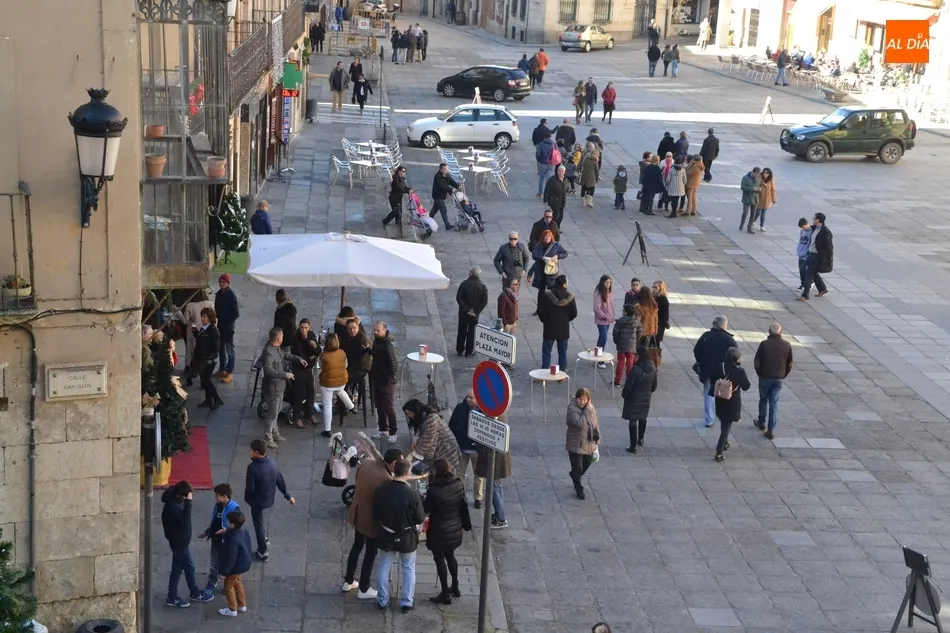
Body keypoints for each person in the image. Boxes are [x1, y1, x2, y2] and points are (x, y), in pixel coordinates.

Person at [344, 436, 403, 601]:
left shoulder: (367, 463)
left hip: (358, 512)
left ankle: (348, 581)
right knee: (370, 553)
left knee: (356, 547)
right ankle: (364, 588)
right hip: (371, 521)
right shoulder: (387, 479)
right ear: (393, 464)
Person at [373, 458, 425, 613]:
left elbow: (375, 512)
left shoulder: (381, 489)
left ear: (394, 471)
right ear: (407, 473)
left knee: (384, 566)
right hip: (406, 536)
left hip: (386, 534)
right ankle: (406, 602)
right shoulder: (412, 494)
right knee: (408, 568)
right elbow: (420, 518)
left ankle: (382, 600)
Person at [424, 458, 472, 604]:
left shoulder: (433, 491)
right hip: (454, 528)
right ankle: (455, 586)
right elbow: (462, 505)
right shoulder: (458, 484)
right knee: (450, 556)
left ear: (436, 471)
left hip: (438, 530)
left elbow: (426, 509)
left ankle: (445, 593)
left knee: (439, 560)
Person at [244, 439, 295, 562]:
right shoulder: (273, 463)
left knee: (258, 524)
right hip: (268, 498)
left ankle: (263, 552)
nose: (250, 452)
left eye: (251, 451)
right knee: (260, 521)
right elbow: (280, 481)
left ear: (256, 452)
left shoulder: (252, 468)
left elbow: (250, 488)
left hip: (256, 501)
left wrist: (247, 497)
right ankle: (264, 539)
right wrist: (288, 496)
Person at [162, 480, 211, 607]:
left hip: (179, 541)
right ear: (182, 496)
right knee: (189, 567)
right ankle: (194, 593)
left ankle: (172, 597)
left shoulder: (174, 501)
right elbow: (184, 522)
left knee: (177, 570)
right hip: (179, 542)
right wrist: (188, 504)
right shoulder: (173, 507)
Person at [260, 327, 307, 447]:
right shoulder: (269, 352)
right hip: (273, 388)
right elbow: (268, 370)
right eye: (281, 336)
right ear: (278, 339)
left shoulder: (276, 348)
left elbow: (285, 355)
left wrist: (298, 359)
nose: (283, 338)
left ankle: (275, 432)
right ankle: (268, 437)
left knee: (277, 411)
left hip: (279, 387)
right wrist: (284, 374)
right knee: (272, 413)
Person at [693, 316, 738, 428]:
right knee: (724, 392)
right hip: (723, 370)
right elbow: (735, 353)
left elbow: (696, 350)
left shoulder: (706, 336)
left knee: (708, 394)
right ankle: (723, 415)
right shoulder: (729, 339)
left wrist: (701, 361)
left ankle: (709, 419)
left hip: (707, 370)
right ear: (723, 325)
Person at [198, 482, 241, 600]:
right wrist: (207, 532)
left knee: (228, 563)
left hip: (227, 542)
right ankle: (213, 581)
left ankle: (230, 584)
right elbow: (215, 521)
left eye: (217, 495)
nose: (215, 497)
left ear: (224, 496)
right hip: (216, 539)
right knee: (214, 563)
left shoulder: (234, 508)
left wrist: (226, 530)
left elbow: (238, 525)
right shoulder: (217, 506)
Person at [754, 323, 793, 440]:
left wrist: (760, 373)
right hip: (778, 378)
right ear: (781, 332)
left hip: (765, 377)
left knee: (763, 399)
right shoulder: (787, 345)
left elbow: (757, 361)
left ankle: (761, 422)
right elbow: (790, 364)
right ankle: (771, 429)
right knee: (773, 403)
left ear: (769, 332)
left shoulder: (764, 344)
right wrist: (783, 375)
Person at [712, 348, 752, 461]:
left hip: (720, 399)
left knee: (723, 421)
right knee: (726, 426)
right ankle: (719, 451)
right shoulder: (739, 371)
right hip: (732, 402)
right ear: (737, 358)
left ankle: (724, 442)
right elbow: (746, 386)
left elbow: (713, 380)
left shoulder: (720, 367)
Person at [448, 391, 485, 507]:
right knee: (460, 474)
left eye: (471, 397)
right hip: (462, 448)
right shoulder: (460, 408)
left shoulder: (483, 411)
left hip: (477, 450)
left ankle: (478, 498)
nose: (468, 399)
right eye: (467, 397)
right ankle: (460, 496)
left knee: (479, 475)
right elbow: (452, 425)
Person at [405, 399, 461, 470]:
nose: (408, 416)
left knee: (445, 472)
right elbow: (425, 434)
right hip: (442, 450)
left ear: (415, 411)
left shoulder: (432, 420)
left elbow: (427, 441)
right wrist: (418, 441)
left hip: (447, 451)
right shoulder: (425, 417)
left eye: (409, 413)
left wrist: (412, 454)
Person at [622, 345, 658, 453]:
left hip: (634, 398)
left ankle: (633, 446)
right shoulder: (652, 367)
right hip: (646, 398)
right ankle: (641, 439)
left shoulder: (635, 370)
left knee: (633, 421)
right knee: (643, 418)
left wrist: (625, 395)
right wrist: (648, 393)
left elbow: (628, 386)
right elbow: (654, 385)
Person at [319, 333, 357, 437]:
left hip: (327, 383)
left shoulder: (323, 355)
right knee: (340, 391)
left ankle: (327, 430)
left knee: (327, 405)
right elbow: (346, 365)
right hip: (341, 381)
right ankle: (351, 406)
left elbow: (321, 367)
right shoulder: (342, 353)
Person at [216, 510, 252, 617]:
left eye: (228, 521)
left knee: (228, 587)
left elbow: (230, 559)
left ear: (233, 524)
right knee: (237, 582)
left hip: (235, 567)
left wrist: (223, 573)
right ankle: (242, 604)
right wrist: (226, 530)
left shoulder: (233, 540)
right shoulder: (243, 530)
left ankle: (232, 609)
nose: (227, 523)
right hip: (243, 563)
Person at [566, 388, 600, 500]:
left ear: (588, 400)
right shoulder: (572, 409)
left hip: (589, 442)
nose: (582, 402)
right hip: (575, 444)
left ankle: (575, 476)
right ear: (576, 398)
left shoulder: (590, 408)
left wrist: (597, 439)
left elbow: (595, 423)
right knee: (577, 468)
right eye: (580, 399)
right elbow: (579, 423)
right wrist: (586, 412)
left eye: (584, 399)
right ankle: (579, 489)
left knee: (588, 462)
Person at [538, 274, 577, 371]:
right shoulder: (570, 297)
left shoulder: (547, 295)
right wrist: (566, 320)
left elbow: (541, 310)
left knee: (547, 351)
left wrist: (545, 320)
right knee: (562, 351)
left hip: (549, 327)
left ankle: (544, 371)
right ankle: (562, 371)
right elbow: (574, 313)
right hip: (563, 328)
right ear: (564, 284)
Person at [477, 428, 512, 528]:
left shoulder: (495, 421)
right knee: (497, 487)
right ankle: (499, 515)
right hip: (500, 461)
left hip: (496, 462)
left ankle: (500, 518)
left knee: (494, 490)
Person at [371, 321, 400, 443]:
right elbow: (377, 353)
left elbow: (393, 363)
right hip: (377, 377)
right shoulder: (377, 341)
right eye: (374, 330)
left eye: (378, 330)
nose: (375, 332)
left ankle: (393, 431)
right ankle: (383, 428)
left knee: (388, 406)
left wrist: (390, 378)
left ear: (384, 330)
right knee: (379, 405)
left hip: (387, 380)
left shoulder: (388, 345)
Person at [527, 229, 569, 310]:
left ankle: (551, 308)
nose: (547, 239)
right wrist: (543, 258)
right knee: (541, 292)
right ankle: (539, 308)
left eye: (549, 237)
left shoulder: (556, 245)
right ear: (542, 237)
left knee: (552, 291)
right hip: (541, 272)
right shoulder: (539, 245)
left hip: (551, 272)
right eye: (545, 237)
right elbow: (534, 255)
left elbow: (565, 253)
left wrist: (557, 256)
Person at [289, 318, 319, 427]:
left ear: (309, 328)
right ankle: (296, 417)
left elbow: (318, 352)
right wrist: (309, 354)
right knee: (299, 392)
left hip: (308, 368)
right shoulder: (295, 338)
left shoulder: (311, 335)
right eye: (301, 327)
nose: (303, 330)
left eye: (306, 328)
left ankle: (309, 414)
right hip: (299, 368)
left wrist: (315, 347)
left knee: (311, 390)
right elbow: (297, 354)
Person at [181, 290, 214, 385]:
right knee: (202, 353)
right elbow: (214, 318)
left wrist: (177, 311)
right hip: (206, 331)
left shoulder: (190, 305)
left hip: (192, 331)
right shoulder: (209, 304)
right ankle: (202, 377)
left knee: (191, 351)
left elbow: (185, 320)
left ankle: (190, 371)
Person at [799, 212, 833, 301]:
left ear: (818, 220)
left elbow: (829, 247)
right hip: (810, 253)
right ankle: (822, 288)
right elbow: (807, 229)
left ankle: (805, 295)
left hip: (816, 256)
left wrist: (820, 256)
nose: (813, 220)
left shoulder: (825, 232)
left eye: (814, 219)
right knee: (804, 268)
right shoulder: (814, 228)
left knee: (809, 274)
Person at [194, 307, 223, 410]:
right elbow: (201, 341)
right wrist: (195, 333)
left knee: (206, 380)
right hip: (202, 358)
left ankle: (217, 399)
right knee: (204, 378)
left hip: (209, 360)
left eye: (205, 317)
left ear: (210, 319)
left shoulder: (213, 331)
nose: (202, 319)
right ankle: (208, 400)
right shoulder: (204, 328)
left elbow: (216, 347)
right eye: (202, 317)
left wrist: (207, 356)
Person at [455, 267, 488, 358]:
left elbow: (459, 298)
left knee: (461, 331)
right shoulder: (482, 286)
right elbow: (484, 301)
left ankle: (460, 349)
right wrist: (476, 311)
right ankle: (469, 351)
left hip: (463, 313)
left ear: (470, 273)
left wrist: (467, 309)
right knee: (472, 332)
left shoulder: (464, 284)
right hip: (474, 315)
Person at [341, 318, 372, 405]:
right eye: (349, 329)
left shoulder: (362, 338)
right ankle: (346, 399)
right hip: (353, 365)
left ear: (358, 327)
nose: (352, 330)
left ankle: (347, 402)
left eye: (354, 328)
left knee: (341, 377)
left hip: (360, 368)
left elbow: (357, 357)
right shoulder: (347, 337)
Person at [214, 273, 239, 383]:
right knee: (221, 349)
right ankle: (222, 369)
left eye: (223, 282)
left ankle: (230, 372)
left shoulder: (231, 296)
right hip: (220, 326)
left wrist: (227, 321)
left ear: (227, 283)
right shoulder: (219, 294)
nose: (221, 283)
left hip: (228, 328)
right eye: (220, 281)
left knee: (230, 350)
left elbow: (236, 313)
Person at [612, 304, 642, 386]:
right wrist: (635, 340)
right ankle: (629, 381)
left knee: (620, 362)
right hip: (631, 346)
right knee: (630, 363)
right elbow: (640, 332)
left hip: (621, 345)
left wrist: (616, 341)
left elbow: (615, 333)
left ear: (625, 312)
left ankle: (617, 381)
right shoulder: (636, 322)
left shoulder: (620, 322)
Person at [592, 275, 614, 365]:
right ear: (602, 283)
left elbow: (611, 306)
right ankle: (599, 359)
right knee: (603, 338)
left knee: (602, 338)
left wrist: (611, 316)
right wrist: (604, 316)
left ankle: (598, 355)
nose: (608, 284)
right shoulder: (599, 293)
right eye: (606, 282)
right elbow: (596, 308)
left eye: (609, 282)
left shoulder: (609, 292)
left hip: (608, 319)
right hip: (602, 320)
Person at [431, 163, 459, 231]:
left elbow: (451, 181)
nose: (446, 170)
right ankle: (447, 225)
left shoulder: (446, 175)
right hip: (438, 196)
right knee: (444, 210)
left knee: (434, 210)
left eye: (446, 169)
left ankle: (427, 220)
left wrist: (458, 186)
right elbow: (442, 186)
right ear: (440, 169)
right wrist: (451, 189)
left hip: (442, 196)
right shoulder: (438, 176)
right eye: (444, 169)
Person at [739, 167, 762, 233]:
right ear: (753, 172)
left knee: (753, 214)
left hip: (754, 198)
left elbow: (761, 185)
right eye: (756, 174)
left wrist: (759, 189)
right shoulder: (745, 178)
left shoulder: (759, 178)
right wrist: (752, 189)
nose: (757, 175)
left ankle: (749, 227)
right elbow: (743, 187)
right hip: (747, 198)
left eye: (758, 174)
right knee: (745, 213)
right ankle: (742, 223)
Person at [535, 131, 558, 197]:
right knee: (548, 179)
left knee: (541, 178)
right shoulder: (554, 144)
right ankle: (547, 192)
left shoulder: (541, 144)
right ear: (550, 137)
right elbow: (556, 153)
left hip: (543, 163)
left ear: (544, 137)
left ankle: (540, 192)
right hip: (551, 164)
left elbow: (538, 153)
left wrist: (539, 160)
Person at [796, 217, 811, 290]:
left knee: (803, 269)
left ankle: (805, 284)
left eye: (803, 227)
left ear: (807, 224)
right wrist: (798, 250)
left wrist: (806, 252)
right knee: (801, 270)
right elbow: (800, 241)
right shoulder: (802, 231)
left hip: (806, 255)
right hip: (801, 254)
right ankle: (804, 283)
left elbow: (810, 244)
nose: (803, 228)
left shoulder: (811, 232)